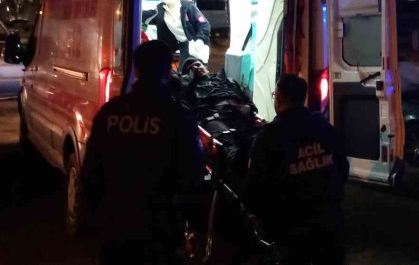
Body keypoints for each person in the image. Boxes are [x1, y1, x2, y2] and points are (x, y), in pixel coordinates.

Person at [81, 40, 206, 265]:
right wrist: (195, 225)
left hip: (114, 229)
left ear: (136, 70)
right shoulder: (178, 116)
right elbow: (192, 177)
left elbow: (90, 171)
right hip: (160, 234)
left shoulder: (111, 112)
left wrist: (97, 220)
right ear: (168, 70)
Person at [243, 75, 349, 265]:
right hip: (330, 223)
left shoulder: (268, 137)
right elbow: (342, 168)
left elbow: (254, 188)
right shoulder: (325, 127)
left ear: (278, 99)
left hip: (290, 230)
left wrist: (260, 220)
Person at [180, 57, 262, 187]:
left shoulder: (229, 81)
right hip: (214, 118)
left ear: (205, 66)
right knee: (233, 150)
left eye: (198, 64)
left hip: (238, 115)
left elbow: (248, 101)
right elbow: (184, 105)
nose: (196, 68)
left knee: (257, 145)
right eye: (191, 68)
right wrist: (188, 79)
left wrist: (249, 108)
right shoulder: (189, 88)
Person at [142, 0, 211, 65]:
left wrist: (200, 40)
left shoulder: (187, 7)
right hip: (172, 44)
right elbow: (145, 15)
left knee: (186, 67)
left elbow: (204, 25)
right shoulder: (160, 10)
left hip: (190, 43)